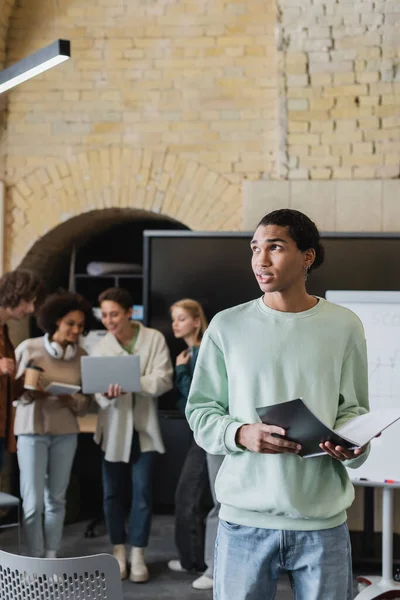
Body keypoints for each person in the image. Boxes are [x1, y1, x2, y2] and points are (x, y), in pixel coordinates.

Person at [186, 208, 370, 600]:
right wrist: (240, 433)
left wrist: (354, 445)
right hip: (243, 521)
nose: (260, 259)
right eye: (255, 248)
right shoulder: (226, 326)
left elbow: (354, 411)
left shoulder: (344, 325)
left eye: (275, 247)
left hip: (322, 522)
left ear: (307, 256)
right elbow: (200, 412)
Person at [92, 287, 173, 583]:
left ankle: (138, 552)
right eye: (104, 315)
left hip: (144, 429)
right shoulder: (100, 347)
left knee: (142, 495)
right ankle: (119, 551)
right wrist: (104, 393)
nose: (109, 321)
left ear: (130, 313)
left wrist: (131, 382)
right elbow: (96, 393)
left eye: (114, 314)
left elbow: (163, 379)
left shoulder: (153, 339)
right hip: (112, 429)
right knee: (112, 494)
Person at [14, 291, 92, 558]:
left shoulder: (82, 355)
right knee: (33, 502)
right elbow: (13, 394)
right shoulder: (29, 348)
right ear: (56, 321)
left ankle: (51, 555)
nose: (76, 329)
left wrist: (72, 399)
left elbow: (87, 403)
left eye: (80, 326)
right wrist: (29, 391)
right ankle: (34, 558)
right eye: (71, 323)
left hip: (66, 432)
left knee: (56, 500)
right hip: (31, 431)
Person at [167, 298, 223, 591]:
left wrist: (180, 372)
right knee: (193, 498)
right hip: (199, 435)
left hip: (210, 434)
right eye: (174, 319)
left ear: (197, 321)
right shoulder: (189, 353)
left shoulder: (201, 354)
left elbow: (195, 398)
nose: (175, 324)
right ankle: (194, 560)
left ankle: (211, 569)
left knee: (209, 500)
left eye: (181, 318)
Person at [0, 269, 44, 473]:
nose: (31, 309)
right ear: (15, 295)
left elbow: (8, 390)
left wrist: (25, 382)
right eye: (29, 301)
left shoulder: (4, 332)